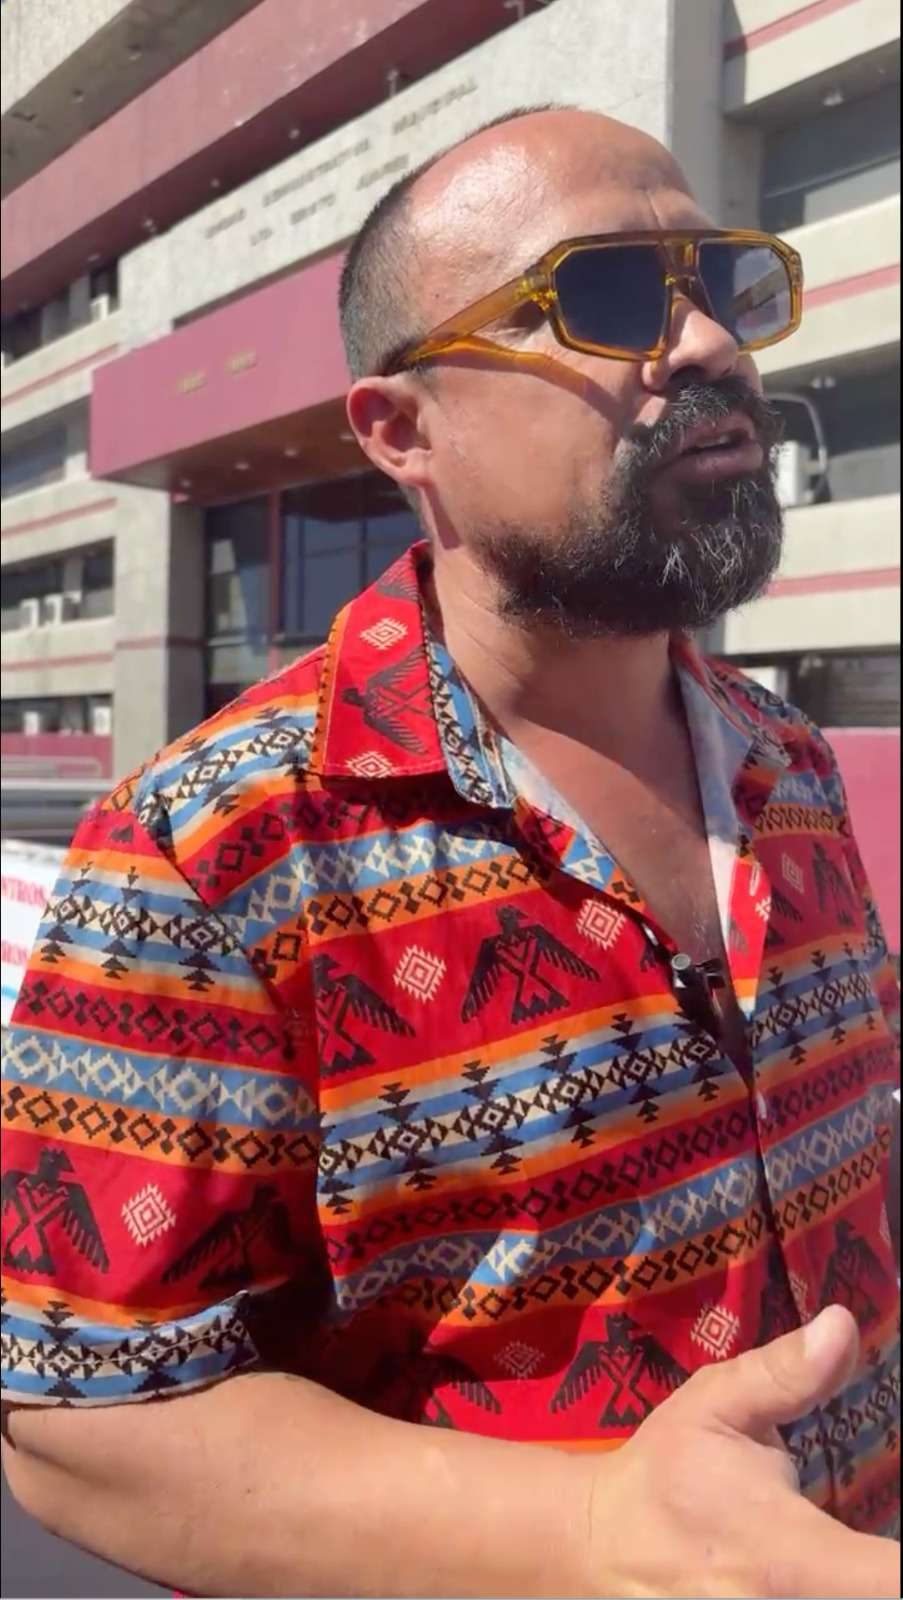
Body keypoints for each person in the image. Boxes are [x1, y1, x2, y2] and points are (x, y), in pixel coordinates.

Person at [1, 106, 899, 1599]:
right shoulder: (214, 850)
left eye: (720, 283)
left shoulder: (789, 766)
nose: (704, 344)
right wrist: (592, 1534)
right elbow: (86, 1419)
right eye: (606, 295)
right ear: (402, 432)